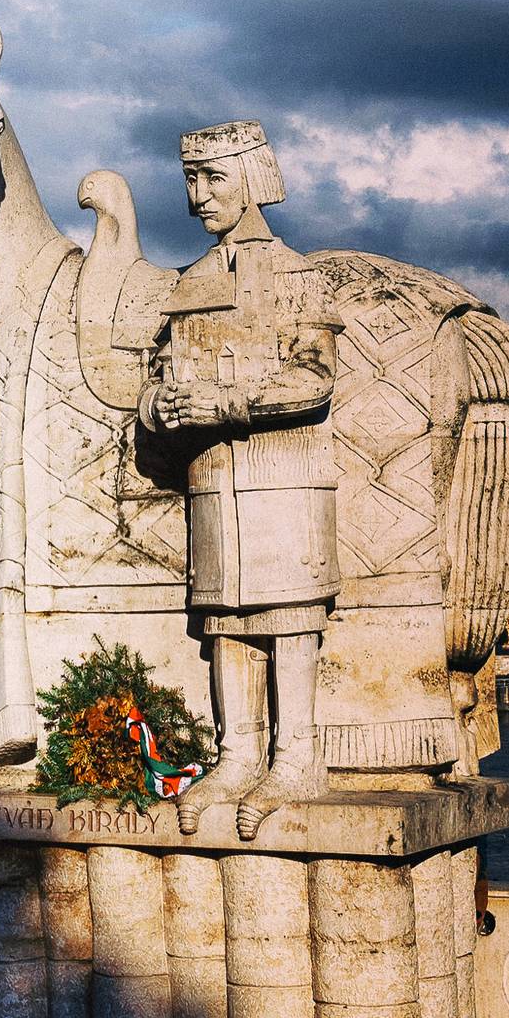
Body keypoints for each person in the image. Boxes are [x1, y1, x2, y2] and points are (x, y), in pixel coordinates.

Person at [137, 120, 342, 838]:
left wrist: (225, 403)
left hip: (285, 476)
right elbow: (156, 381)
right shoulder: (189, 284)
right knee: (225, 617)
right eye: (190, 179)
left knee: (289, 614)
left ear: (252, 179)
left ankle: (297, 758)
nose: (197, 195)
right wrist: (160, 404)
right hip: (213, 479)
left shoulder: (297, 276)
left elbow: (314, 380)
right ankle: (239, 755)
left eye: (213, 177)